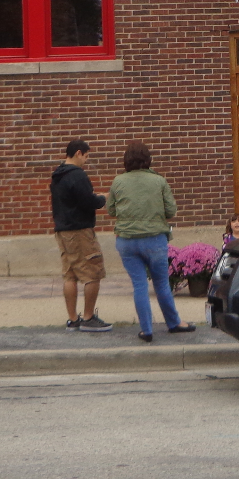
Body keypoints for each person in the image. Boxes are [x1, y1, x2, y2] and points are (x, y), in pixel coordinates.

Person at [106, 140, 195, 343]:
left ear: (126, 160)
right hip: (155, 240)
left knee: (139, 285)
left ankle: (146, 330)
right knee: (162, 283)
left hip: (127, 241)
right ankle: (174, 323)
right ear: (148, 159)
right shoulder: (159, 181)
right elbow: (171, 211)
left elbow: (111, 210)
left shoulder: (118, 182)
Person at [51, 138, 112, 332]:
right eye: (86, 156)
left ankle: (72, 319)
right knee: (92, 272)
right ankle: (88, 318)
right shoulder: (77, 175)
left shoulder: (57, 174)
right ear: (78, 153)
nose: (86, 160)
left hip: (63, 230)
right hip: (80, 231)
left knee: (70, 275)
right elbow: (89, 202)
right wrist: (103, 198)